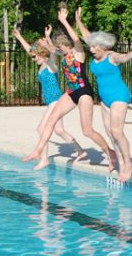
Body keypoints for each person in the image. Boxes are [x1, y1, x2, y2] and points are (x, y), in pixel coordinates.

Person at [22, 7, 117, 172]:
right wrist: (46, 38)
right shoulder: (63, 54)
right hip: (71, 92)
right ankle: (39, 150)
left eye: (60, 46)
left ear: (66, 44)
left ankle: (110, 153)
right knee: (51, 119)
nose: (58, 49)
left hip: (84, 92)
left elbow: (76, 39)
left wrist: (65, 21)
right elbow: (50, 49)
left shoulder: (78, 52)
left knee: (87, 130)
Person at [75, 7, 132, 182]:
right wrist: (78, 21)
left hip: (118, 96)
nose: (91, 49)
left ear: (104, 46)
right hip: (105, 99)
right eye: (90, 46)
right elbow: (87, 37)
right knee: (109, 133)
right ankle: (122, 164)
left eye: (94, 46)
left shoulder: (111, 56)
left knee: (117, 131)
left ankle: (128, 164)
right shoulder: (95, 56)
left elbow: (126, 57)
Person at [13, 26, 87, 170]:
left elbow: (52, 53)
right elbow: (30, 50)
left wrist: (47, 37)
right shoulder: (41, 65)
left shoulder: (50, 65)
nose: (33, 58)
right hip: (51, 102)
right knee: (59, 130)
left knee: (41, 128)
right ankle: (80, 151)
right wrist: (20, 37)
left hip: (55, 100)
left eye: (35, 56)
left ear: (43, 55)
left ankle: (44, 159)